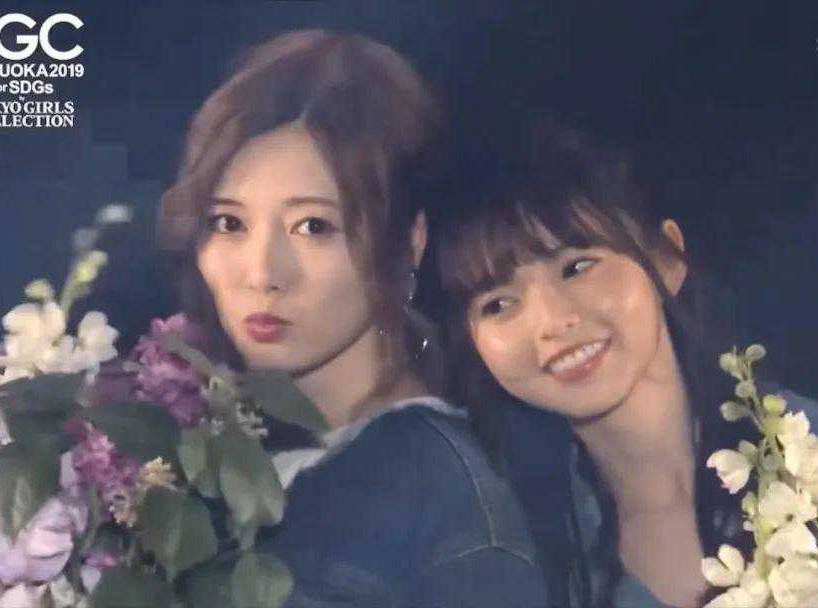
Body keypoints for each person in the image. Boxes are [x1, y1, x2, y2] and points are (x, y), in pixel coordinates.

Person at [431, 124, 818, 607]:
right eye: (497, 304)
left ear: (666, 260)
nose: (551, 322)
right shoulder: (502, 556)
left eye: (577, 267)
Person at [158, 31, 558, 607]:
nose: (262, 273)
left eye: (313, 227)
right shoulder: (195, 459)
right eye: (229, 223)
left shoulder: (447, 508)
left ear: (408, 242)